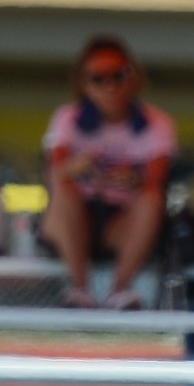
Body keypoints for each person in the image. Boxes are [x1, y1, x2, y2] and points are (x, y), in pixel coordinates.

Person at [40, 35, 176, 310]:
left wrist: (133, 179)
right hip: (72, 222)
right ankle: (80, 291)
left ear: (134, 78)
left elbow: (156, 181)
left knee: (151, 198)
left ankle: (119, 291)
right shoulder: (68, 118)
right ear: (83, 84)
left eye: (118, 75)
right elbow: (55, 175)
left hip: (121, 223)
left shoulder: (156, 122)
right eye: (98, 78)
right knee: (65, 190)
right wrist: (76, 167)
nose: (110, 86)